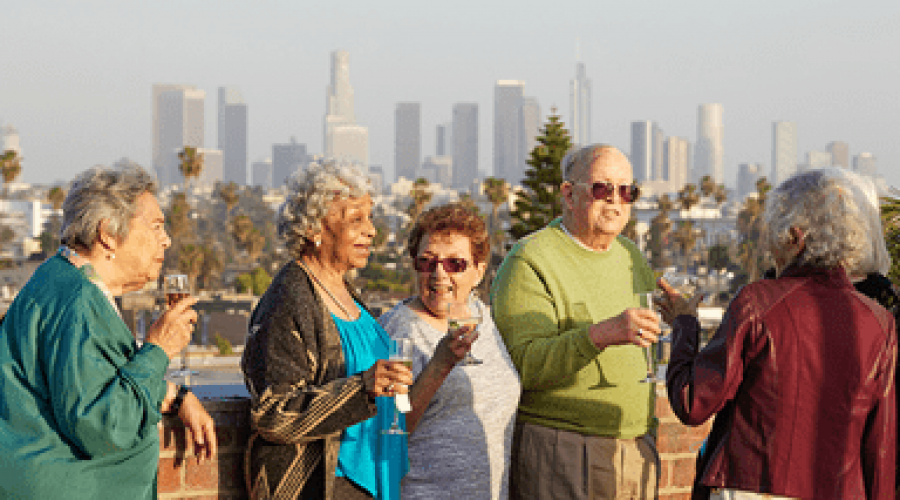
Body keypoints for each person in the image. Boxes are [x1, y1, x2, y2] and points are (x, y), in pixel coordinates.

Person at [663, 168, 896, 499]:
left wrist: (684, 324)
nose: (769, 248)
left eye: (772, 233)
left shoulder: (758, 302)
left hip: (752, 485)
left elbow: (693, 402)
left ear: (795, 237)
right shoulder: (880, 322)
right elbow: (880, 445)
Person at [0, 165, 216, 499]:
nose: (167, 239)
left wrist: (172, 396)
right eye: (157, 226)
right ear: (108, 235)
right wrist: (158, 348)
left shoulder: (58, 279)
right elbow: (104, 427)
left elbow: (87, 384)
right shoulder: (80, 302)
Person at [491, 143, 662, 499]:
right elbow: (523, 365)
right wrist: (600, 335)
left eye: (627, 191)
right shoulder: (530, 260)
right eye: (603, 189)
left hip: (634, 446)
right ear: (568, 194)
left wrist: (681, 313)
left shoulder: (629, 254)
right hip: (564, 448)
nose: (616, 200)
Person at [241, 160, 414, 500]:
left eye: (370, 217)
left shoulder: (345, 291)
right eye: (355, 219)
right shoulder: (289, 299)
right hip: (325, 485)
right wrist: (362, 387)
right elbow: (273, 413)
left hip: (373, 481)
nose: (371, 231)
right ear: (314, 230)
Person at [378, 203, 521, 499]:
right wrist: (440, 365)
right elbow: (392, 428)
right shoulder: (401, 330)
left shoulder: (484, 318)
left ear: (479, 271)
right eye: (427, 262)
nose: (439, 275)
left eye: (455, 264)